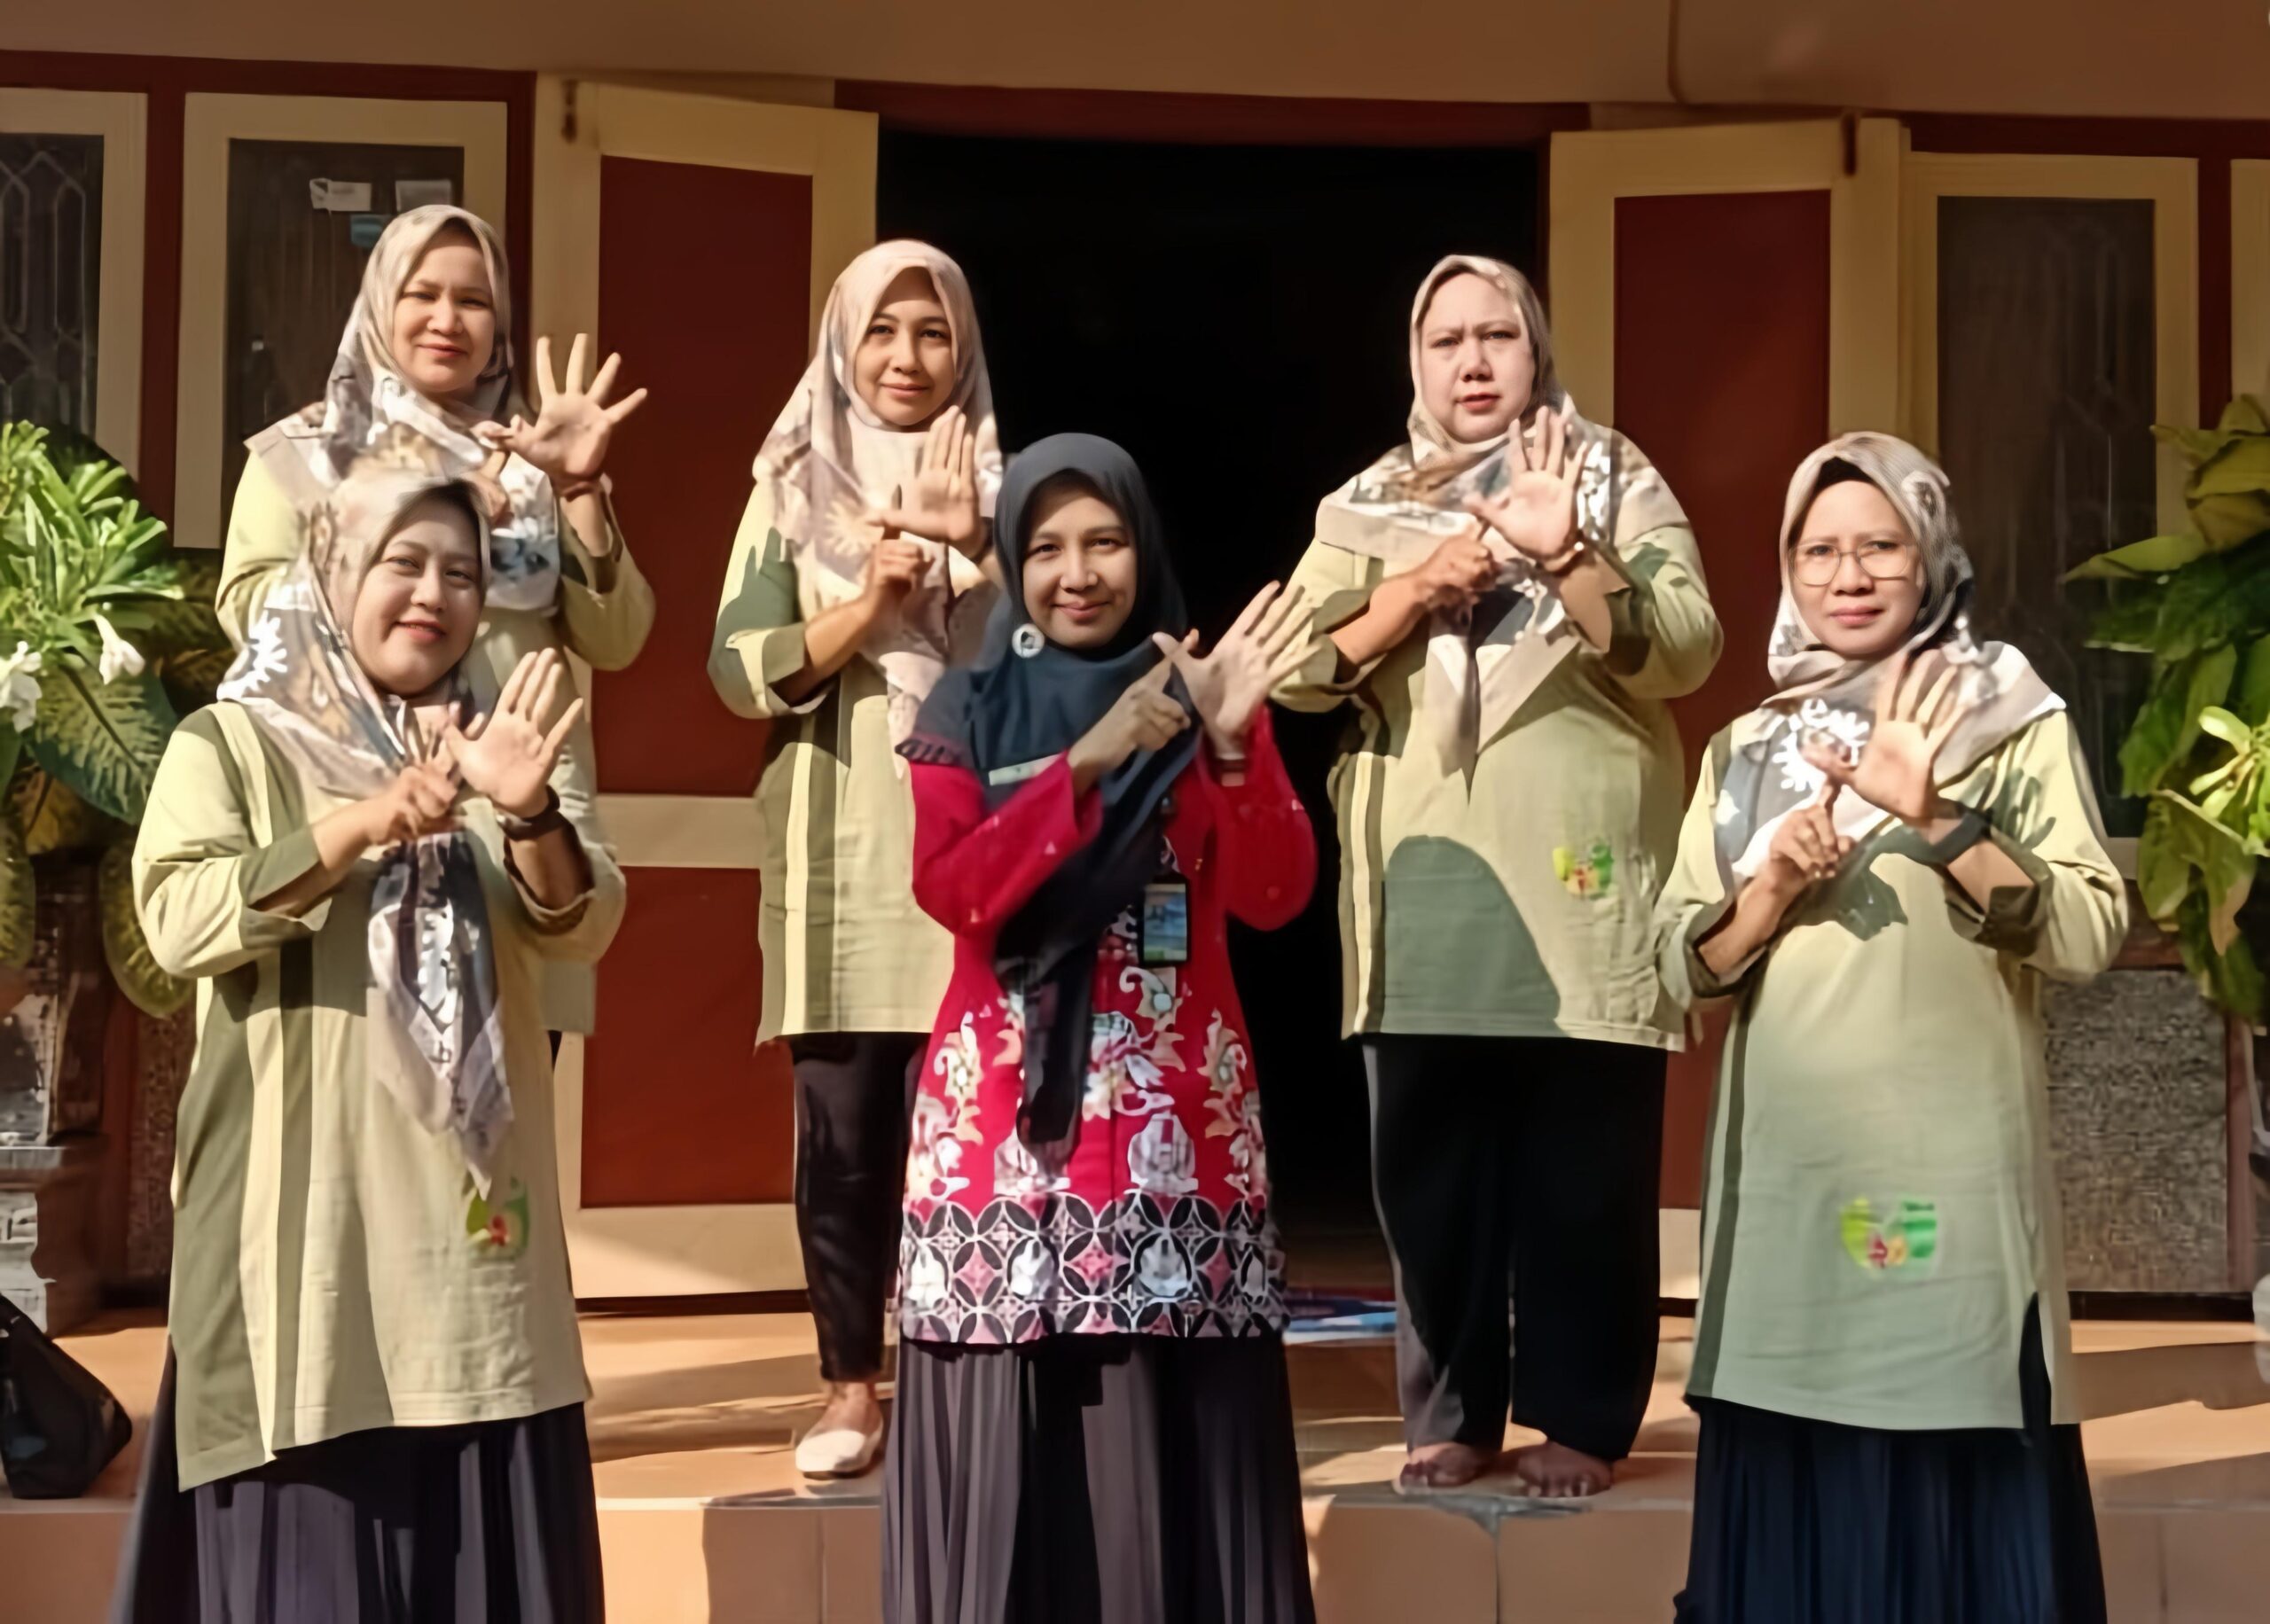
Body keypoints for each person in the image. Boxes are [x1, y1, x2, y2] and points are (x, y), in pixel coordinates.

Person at [114, 450, 626, 1623]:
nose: (435, 594)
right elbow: (177, 919)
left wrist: (528, 808)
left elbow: (584, 919)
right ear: (331, 570)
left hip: (473, 1265)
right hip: (306, 1255)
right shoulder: (232, 743)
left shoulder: (509, 743)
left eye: (463, 572)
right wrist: (360, 824)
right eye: (404, 561)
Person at [1656, 433, 2120, 1623]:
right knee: (1797, 1456)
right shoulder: (1746, 751)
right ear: (1787, 568)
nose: (1849, 575)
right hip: (1791, 1193)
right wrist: (1767, 888)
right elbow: (1674, 968)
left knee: (1947, 1431)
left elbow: (2084, 930)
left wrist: (1939, 817)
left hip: (1948, 1190)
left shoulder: (2006, 717)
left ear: (1932, 557)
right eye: (1819, 551)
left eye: (1882, 546)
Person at [1273, 254, 1718, 1495]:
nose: (1472, 362)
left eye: (1498, 336)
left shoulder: (1611, 477)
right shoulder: (1364, 506)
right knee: (1432, 1174)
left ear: (1538, 351)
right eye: (1447, 340)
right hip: (1428, 893)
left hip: (1580, 888)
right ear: (1415, 363)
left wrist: (1565, 548)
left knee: (1584, 1174)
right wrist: (1417, 588)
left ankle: (1581, 1414)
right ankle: (1456, 1413)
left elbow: (1687, 646)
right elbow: (1292, 670)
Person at [883, 433, 1318, 1623]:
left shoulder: (1202, 694)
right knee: (1008, 1442)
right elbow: (958, 890)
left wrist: (1227, 744)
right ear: (1012, 565)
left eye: (1106, 542)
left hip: (1175, 1123)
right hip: (999, 1132)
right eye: (1046, 548)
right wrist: (1087, 759)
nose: (1077, 573)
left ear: (1146, 549)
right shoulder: (965, 708)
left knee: (1170, 1439)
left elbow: (1275, 893)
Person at [217, 202, 652, 1045]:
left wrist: (577, 491)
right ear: (380, 302)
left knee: (509, 1087)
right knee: (359, 1068)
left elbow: (616, 639)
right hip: (359, 807)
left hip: (514, 816)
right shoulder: (305, 453)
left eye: (474, 301)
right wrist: (414, 515)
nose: (447, 320)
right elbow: (251, 615)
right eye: (422, 294)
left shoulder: (534, 460)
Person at [708, 241, 999, 1477]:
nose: (906, 358)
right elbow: (737, 670)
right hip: (839, 860)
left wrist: (975, 554)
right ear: (841, 343)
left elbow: (1057, 658)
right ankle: (850, 1386)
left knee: (972, 1134)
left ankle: (963, 1377)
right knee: (843, 1136)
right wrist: (867, 611)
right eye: (881, 330)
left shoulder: (1008, 489)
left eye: (932, 332)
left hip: (977, 860)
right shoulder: (788, 488)